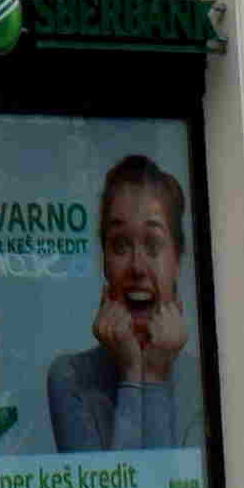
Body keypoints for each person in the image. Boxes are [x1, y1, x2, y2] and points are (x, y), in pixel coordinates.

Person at [40, 156, 195, 452]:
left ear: (177, 260)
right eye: (120, 245)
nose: (136, 266)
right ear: (105, 263)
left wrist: (155, 373)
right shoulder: (71, 377)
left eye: (152, 244)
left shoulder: (203, 382)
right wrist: (134, 374)